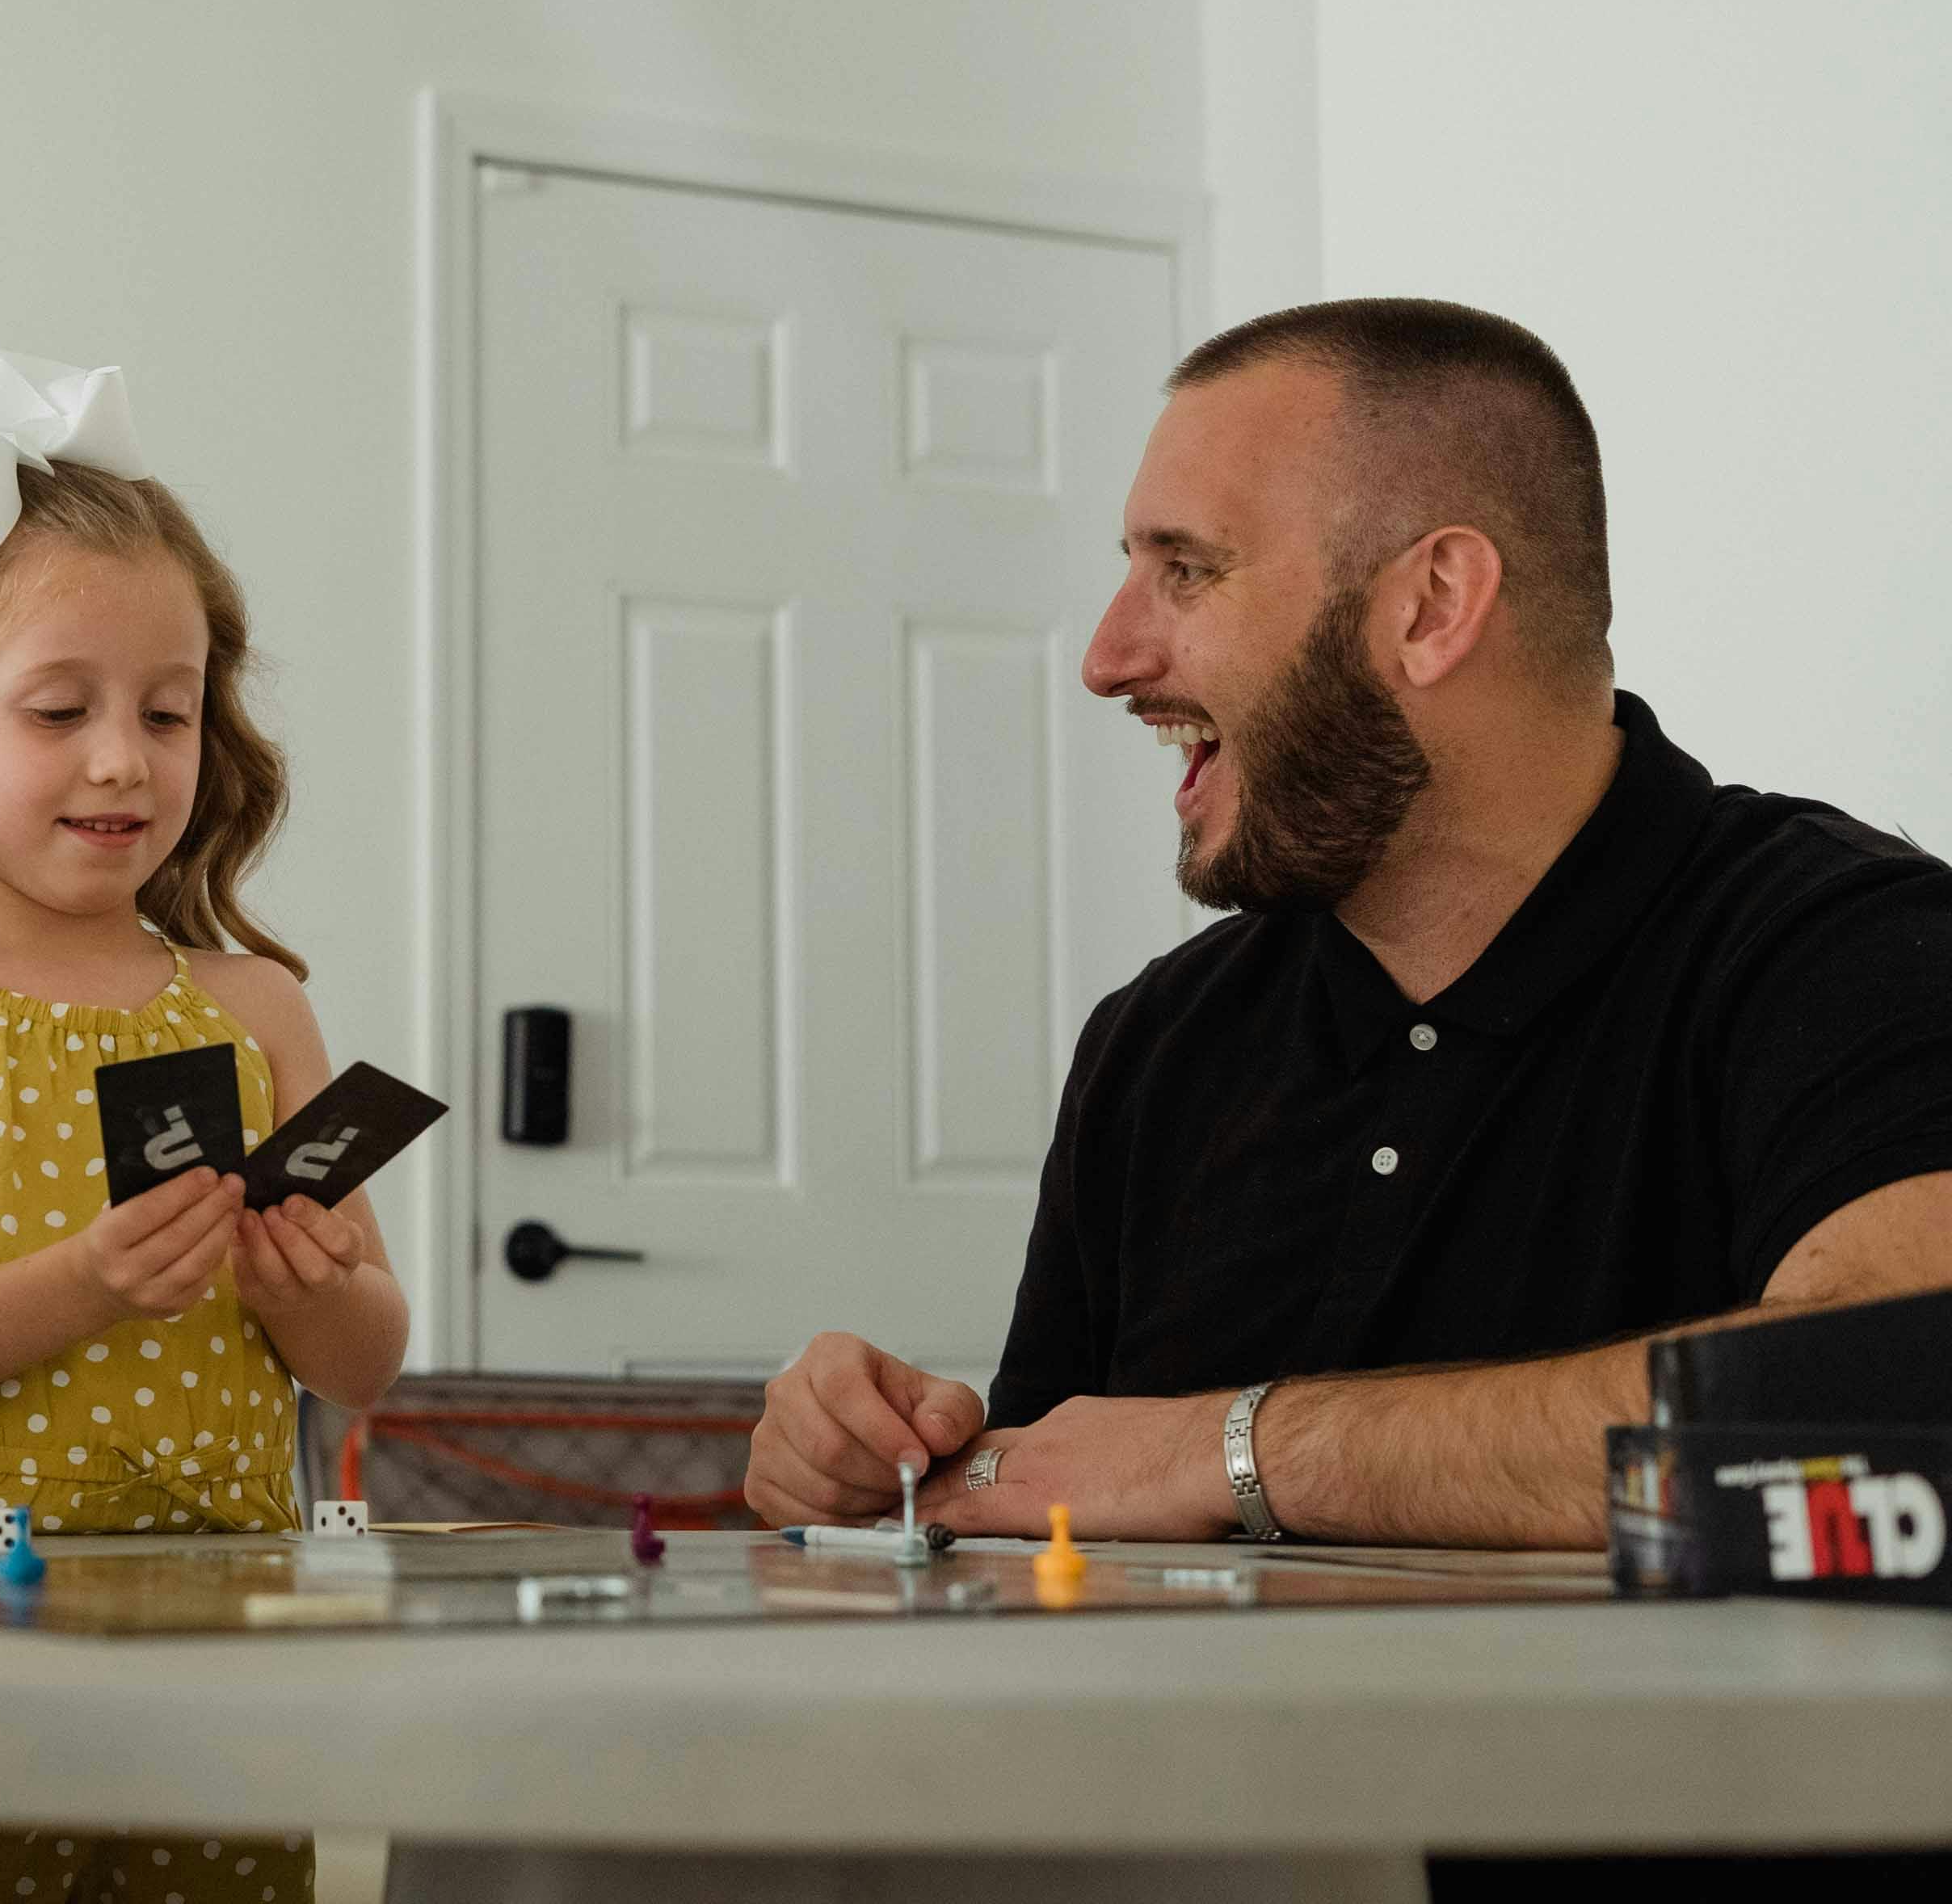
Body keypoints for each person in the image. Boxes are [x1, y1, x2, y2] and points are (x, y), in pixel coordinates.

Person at [745, 298, 1952, 1550]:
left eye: (1187, 570)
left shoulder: (1860, 953)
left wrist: (1232, 1450)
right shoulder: (1156, 1044)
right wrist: (883, 1478)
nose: (1107, 657)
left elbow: (1893, 1405)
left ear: (1432, 605)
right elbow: (1061, 1518)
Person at [0, 356, 405, 1904]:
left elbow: (366, 1361)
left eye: (167, 712)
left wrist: (306, 1287)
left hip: (216, 1674)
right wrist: (87, 1281)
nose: (126, 757)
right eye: (61, 710)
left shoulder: (261, 1010)